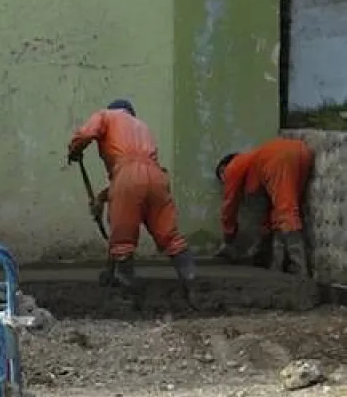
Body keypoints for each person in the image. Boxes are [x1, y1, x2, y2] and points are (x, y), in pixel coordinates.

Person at [67, 99, 196, 296]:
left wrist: (75, 150)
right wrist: (103, 198)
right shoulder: (142, 126)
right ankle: (190, 279)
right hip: (157, 178)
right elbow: (140, 177)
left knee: (123, 235)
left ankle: (125, 286)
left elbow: (86, 135)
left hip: (128, 177)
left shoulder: (106, 115)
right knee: (169, 235)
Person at [215, 136, 313, 275]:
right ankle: (277, 267)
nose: (224, 181)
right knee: (282, 212)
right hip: (301, 152)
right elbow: (270, 209)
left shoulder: (233, 166)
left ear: (224, 167)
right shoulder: (256, 164)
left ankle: (300, 270)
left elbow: (229, 203)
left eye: (222, 177)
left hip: (280, 158)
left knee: (287, 211)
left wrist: (228, 236)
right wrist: (264, 234)